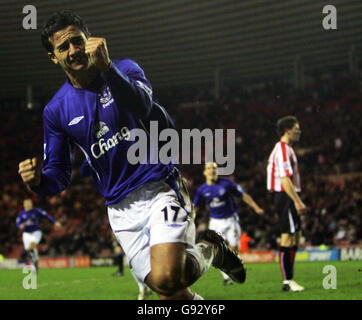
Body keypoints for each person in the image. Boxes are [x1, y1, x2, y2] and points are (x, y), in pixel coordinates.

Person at [18, 11, 246, 300]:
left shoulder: (124, 68)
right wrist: (38, 181)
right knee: (171, 293)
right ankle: (212, 249)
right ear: (53, 57)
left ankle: (210, 250)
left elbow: (141, 105)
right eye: (63, 47)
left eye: (78, 41)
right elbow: (59, 175)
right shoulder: (55, 111)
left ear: (89, 40)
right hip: (120, 209)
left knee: (167, 277)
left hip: (159, 187)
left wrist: (108, 69)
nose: (74, 50)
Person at [194, 162, 263, 285]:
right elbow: (196, 207)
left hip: (231, 219)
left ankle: (232, 271)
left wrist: (255, 207)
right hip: (215, 222)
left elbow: (243, 195)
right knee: (217, 249)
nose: (212, 170)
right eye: (209, 168)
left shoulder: (227, 183)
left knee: (234, 248)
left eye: (214, 168)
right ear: (205, 172)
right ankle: (226, 278)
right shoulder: (201, 190)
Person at [266, 115, 308, 292]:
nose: (299, 130)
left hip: (287, 196)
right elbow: (284, 179)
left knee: (295, 236)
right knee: (288, 236)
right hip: (286, 196)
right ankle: (287, 281)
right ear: (287, 130)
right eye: (296, 127)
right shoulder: (282, 149)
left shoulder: (287, 149)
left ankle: (289, 279)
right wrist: (297, 202)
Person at [16, 198, 61, 272]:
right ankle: (35, 262)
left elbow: (46, 216)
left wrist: (55, 222)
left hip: (36, 232)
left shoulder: (36, 211)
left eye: (29, 204)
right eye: (26, 204)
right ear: (24, 205)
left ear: (31, 204)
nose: (27, 205)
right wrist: (19, 226)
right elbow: (18, 222)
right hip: (26, 234)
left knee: (32, 245)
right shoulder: (21, 213)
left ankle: (35, 261)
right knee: (29, 251)